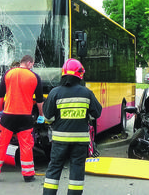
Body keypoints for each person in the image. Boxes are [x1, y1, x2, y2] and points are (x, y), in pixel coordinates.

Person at [42, 58, 102, 195]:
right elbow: (96, 114)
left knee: (55, 167)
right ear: (80, 74)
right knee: (77, 168)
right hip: (80, 141)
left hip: (59, 140)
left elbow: (48, 117)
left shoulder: (55, 93)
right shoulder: (87, 93)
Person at [0, 55, 44, 182]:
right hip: (25, 118)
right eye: (32, 64)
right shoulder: (35, 77)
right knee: (26, 147)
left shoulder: (9, 74)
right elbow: (39, 100)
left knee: (1, 145)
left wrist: (0, 110)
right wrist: (41, 115)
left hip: (8, 117)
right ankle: (28, 176)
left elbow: (0, 96)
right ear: (29, 63)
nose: (32, 66)